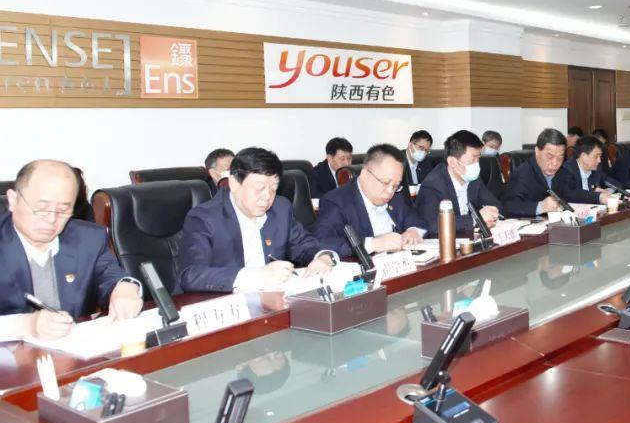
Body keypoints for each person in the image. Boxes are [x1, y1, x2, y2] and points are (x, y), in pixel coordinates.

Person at [0, 160, 143, 341]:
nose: (52, 219)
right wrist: (25, 325)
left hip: (73, 351)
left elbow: (111, 276)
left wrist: (125, 287)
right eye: (41, 208)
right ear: (13, 200)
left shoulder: (88, 238)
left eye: (63, 210)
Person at [177, 147, 337, 293]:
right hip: (226, 303)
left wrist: (323, 256)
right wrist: (258, 276)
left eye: (273, 189)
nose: (267, 197)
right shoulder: (204, 217)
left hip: (274, 300)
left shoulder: (280, 208)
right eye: (259, 188)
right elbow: (191, 274)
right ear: (234, 183)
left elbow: (305, 244)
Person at [314, 144, 426, 258]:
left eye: (396, 185)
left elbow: (416, 219)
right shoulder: (336, 201)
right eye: (385, 183)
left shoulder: (396, 196)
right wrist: (372, 244)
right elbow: (322, 241)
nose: (390, 191)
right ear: (365, 175)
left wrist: (413, 231)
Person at [415, 130, 502, 236]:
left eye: (478, 158)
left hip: (468, 238)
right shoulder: (432, 185)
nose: (477, 164)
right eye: (473, 159)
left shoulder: (473, 179)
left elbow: (495, 204)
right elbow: (432, 225)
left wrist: (492, 214)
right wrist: (475, 219)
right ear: (452, 162)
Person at [501, 128, 571, 217]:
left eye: (560, 157)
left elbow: (570, 193)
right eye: (550, 157)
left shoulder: (562, 171)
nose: (555, 163)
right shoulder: (522, 174)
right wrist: (540, 207)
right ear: (537, 151)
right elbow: (508, 206)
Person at [557, 135, 613, 205]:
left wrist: (621, 191)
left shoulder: (596, 168)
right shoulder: (567, 169)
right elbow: (571, 193)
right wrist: (598, 196)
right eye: (596, 156)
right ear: (583, 156)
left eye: (600, 156)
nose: (599, 160)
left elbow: (607, 181)